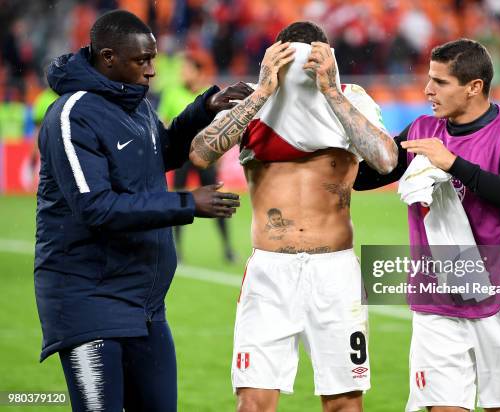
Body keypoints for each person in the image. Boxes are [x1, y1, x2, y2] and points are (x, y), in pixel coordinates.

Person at [34, 10, 249, 412]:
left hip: (146, 305)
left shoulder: (134, 104)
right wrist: (188, 203)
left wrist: (205, 109)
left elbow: (159, 154)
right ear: (109, 57)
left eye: (153, 58)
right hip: (89, 302)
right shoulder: (71, 114)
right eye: (142, 60)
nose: (152, 70)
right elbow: (94, 206)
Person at [189, 21, 398, 412]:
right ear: (276, 56)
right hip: (271, 272)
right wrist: (265, 89)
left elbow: (386, 161)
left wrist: (331, 90)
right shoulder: (252, 100)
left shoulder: (351, 98)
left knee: (344, 405)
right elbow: (201, 153)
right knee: (253, 403)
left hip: (334, 273)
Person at [353, 38, 500, 412]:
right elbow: (364, 178)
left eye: (440, 82)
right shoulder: (422, 129)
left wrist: (454, 164)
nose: (427, 89)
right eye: (429, 79)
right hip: (436, 294)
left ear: (474, 87)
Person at [157, 52, 236, 262]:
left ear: (198, 72)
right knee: (180, 199)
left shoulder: (209, 96)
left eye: (187, 69)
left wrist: (218, 155)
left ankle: (228, 248)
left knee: (216, 200)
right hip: (181, 157)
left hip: (206, 157)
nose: (183, 73)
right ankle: (177, 250)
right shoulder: (172, 93)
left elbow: (220, 128)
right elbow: (164, 123)